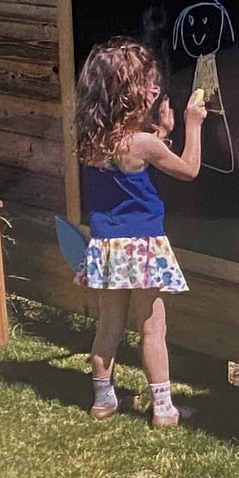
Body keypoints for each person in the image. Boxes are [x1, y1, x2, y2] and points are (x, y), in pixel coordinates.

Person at [75, 37, 206, 425]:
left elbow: (129, 162)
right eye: (146, 86)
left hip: (107, 245)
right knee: (152, 328)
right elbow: (189, 169)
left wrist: (159, 131)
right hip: (144, 245)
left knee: (109, 325)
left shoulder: (92, 139)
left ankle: (103, 399)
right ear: (128, 95)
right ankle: (164, 408)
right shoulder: (144, 143)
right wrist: (190, 124)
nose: (155, 91)